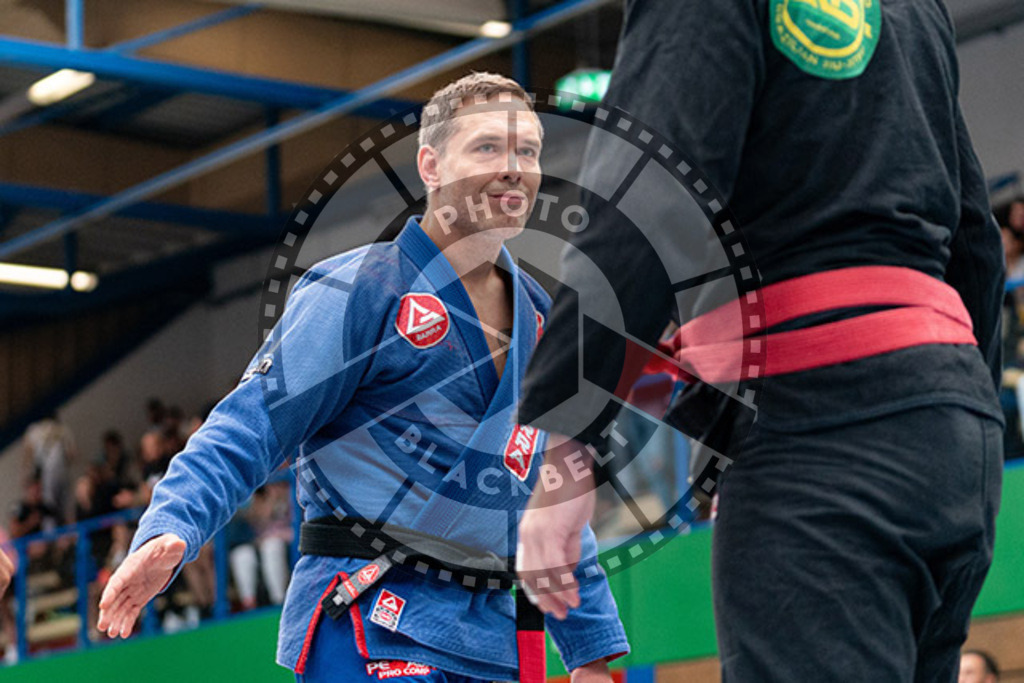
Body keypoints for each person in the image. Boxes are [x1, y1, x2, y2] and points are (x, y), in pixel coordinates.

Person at [516, 1, 1004, 681]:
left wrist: (566, 437)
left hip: (817, 425)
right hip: (951, 433)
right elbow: (974, 240)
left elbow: (649, 199)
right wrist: (948, 402)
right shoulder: (917, 8)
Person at [98, 72, 627, 682]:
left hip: (489, 642)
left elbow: (549, 499)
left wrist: (590, 649)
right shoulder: (360, 290)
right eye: (487, 147)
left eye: (527, 151)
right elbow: (251, 426)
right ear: (430, 166)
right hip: (368, 615)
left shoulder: (543, 319)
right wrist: (174, 524)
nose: (513, 168)